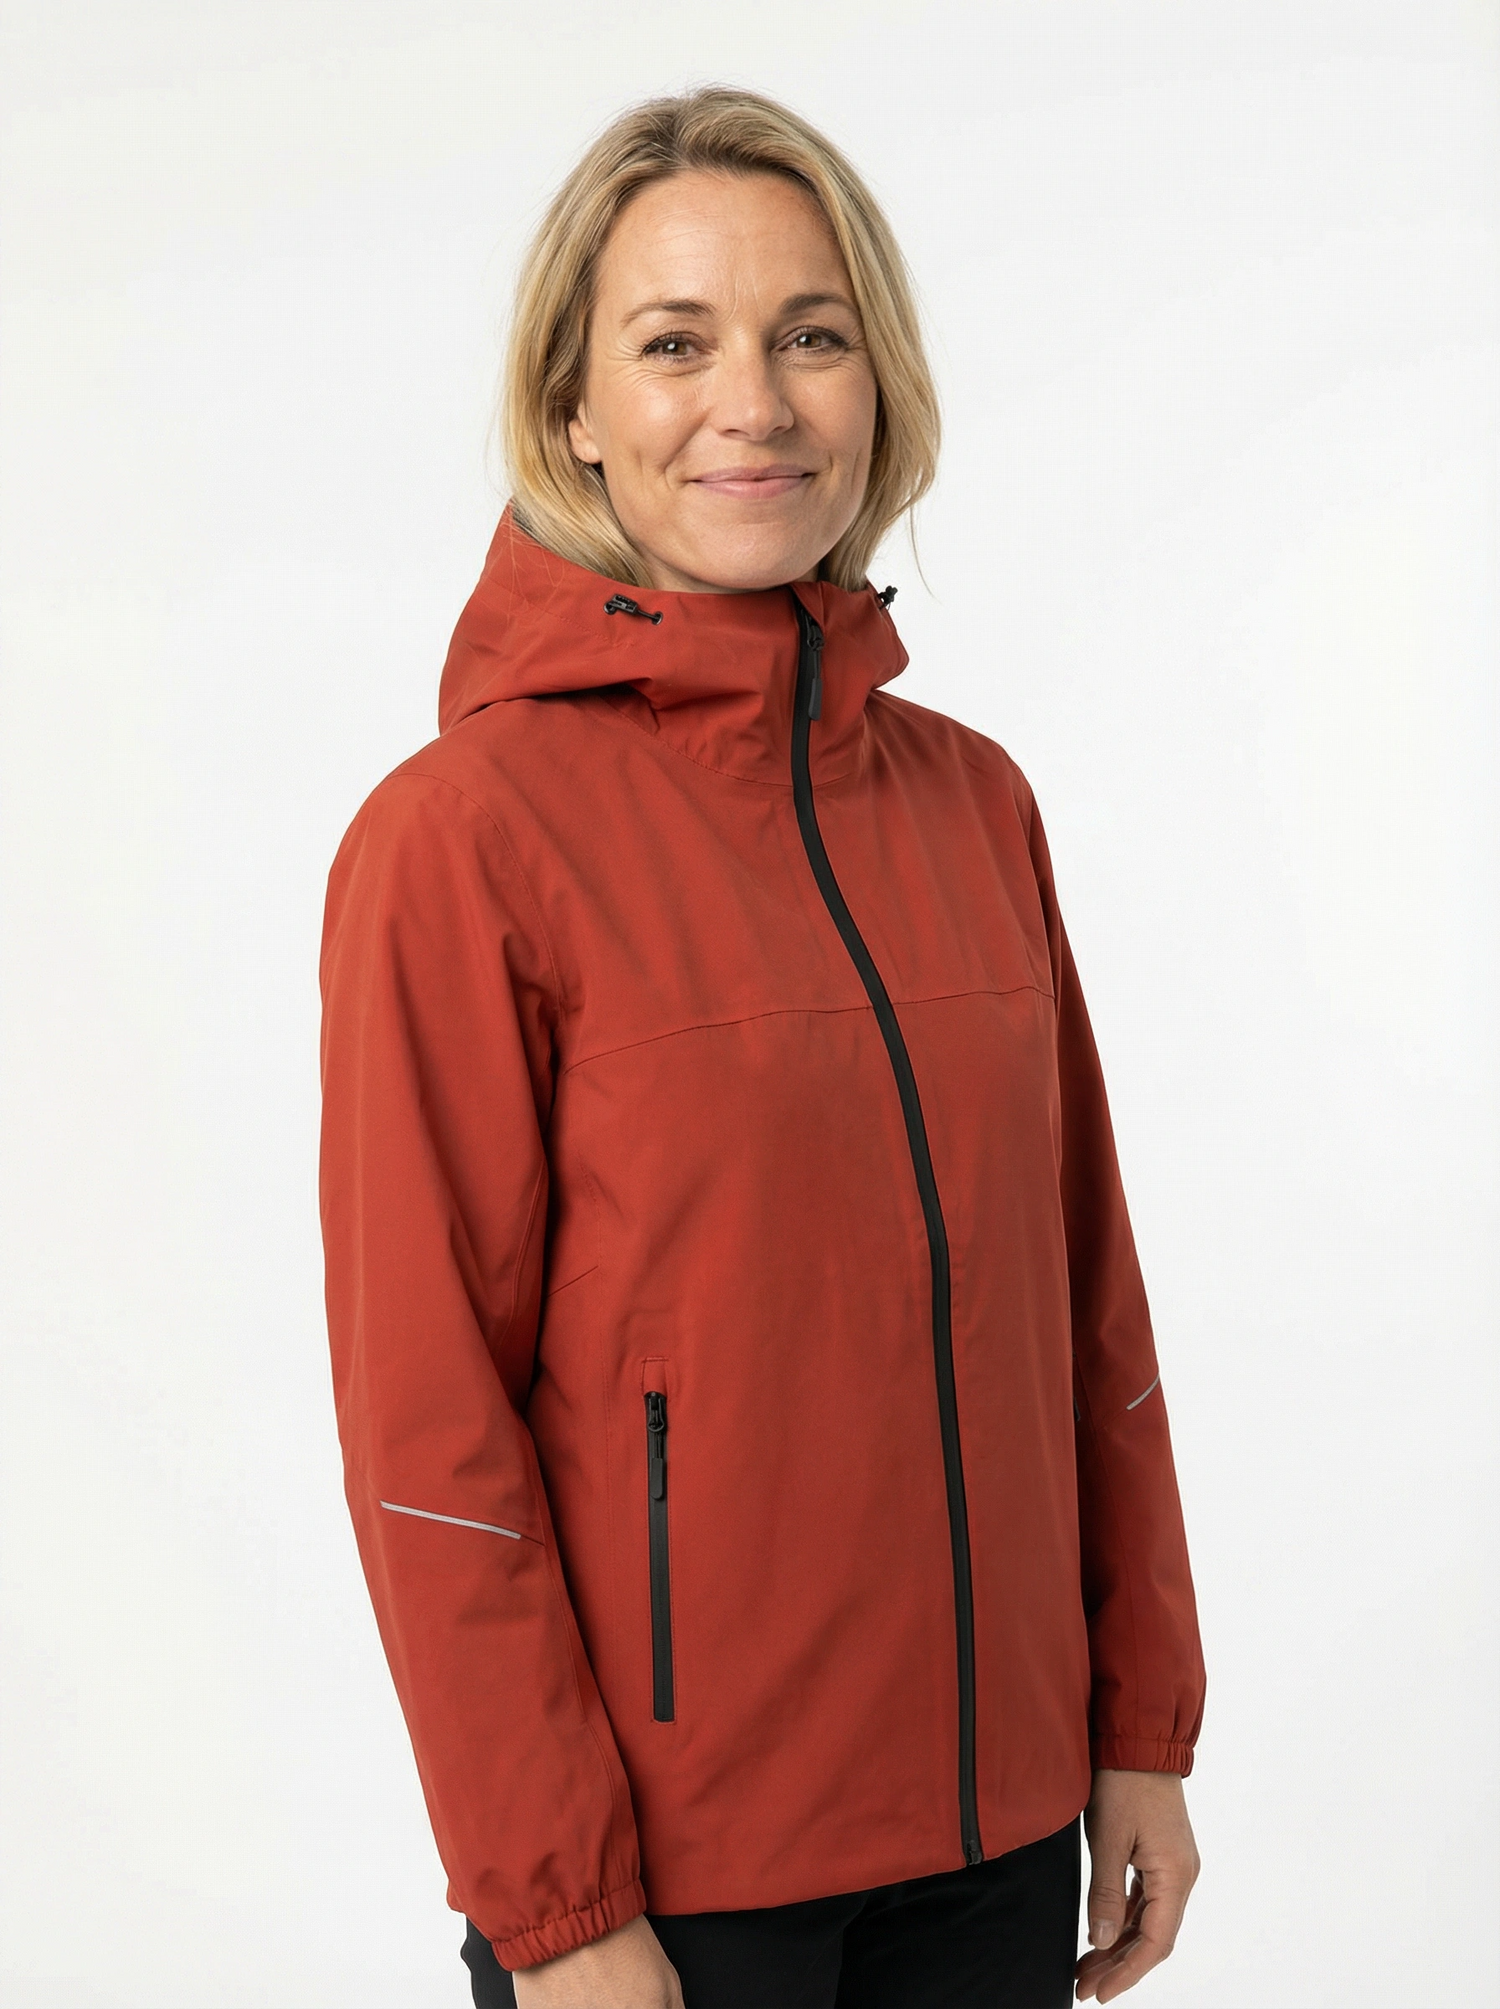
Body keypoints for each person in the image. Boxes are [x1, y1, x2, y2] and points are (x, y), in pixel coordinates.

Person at [319, 86, 1205, 2009]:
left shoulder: (974, 806)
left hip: (1001, 1842)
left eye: (813, 334)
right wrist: (557, 1910)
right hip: (681, 1892)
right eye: (674, 343)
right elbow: (428, 1428)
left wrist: (1141, 1721)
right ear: (573, 407)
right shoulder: (463, 842)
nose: (757, 402)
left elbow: (1085, 1304)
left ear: (879, 382)